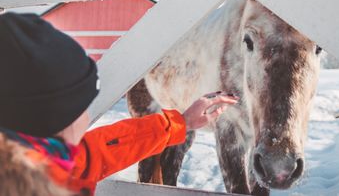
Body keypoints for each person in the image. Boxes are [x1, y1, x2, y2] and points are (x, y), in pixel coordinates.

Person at [0, 12, 238, 196]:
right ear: (58, 118)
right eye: (83, 105)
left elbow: (104, 149)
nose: (86, 116)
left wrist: (181, 123)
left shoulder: (46, 161)